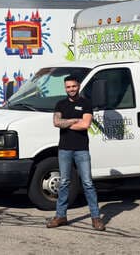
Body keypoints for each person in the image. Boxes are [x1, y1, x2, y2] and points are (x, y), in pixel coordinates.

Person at [46, 76, 103, 231]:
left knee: (87, 183)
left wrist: (66, 123)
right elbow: (56, 122)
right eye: (68, 87)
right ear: (65, 88)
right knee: (64, 183)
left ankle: (96, 218)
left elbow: (85, 125)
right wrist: (73, 120)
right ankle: (60, 216)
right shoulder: (60, 104)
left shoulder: (86, 103)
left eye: (73, 86)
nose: (71, 89)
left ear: (78, 86)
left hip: (81, 149)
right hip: (64, 149)